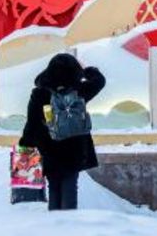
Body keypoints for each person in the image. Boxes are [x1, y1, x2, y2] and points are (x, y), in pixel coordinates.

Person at [18, 53, 105, 211]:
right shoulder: (78, 92)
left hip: (49, 149)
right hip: (74, 149)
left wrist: (25, 145)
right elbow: (99, 81)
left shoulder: (39, 94)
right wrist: (86, 71)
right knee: (70, 185)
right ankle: (68, 225)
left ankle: (55, 226)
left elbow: (32, 122)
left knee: (54, 187)